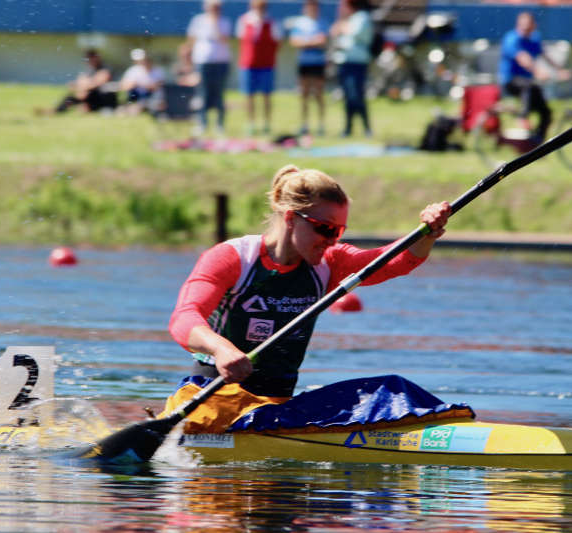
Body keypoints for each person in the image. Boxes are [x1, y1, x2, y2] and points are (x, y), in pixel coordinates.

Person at [160, 164, 451, 432]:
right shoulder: (234, 258)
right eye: (324, 228)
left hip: (277, 409)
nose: (331, 240)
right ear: (290, 218)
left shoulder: (329, 262)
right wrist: (222, 349)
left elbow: (392, 261)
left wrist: (426, 234)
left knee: (391, 390)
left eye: (339, 231)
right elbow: (184, 317)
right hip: (215, 400)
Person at [499, 11, 572, 143]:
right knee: (528, 86)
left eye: (528, 27)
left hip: (528, 83)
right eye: (522, 26)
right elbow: (523, 58)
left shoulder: (534, 38)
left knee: (546, 112)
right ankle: (522, 118)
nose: (525, 30)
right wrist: (537, 71)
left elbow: (545, 56)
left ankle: (537, 141)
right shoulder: (511, 38)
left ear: (534, 26)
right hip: (511, 81)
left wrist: (560, 70)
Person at [236, 0, 283, 136]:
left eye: (262, 6)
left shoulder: (272, 23)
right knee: (249, 95)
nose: (259, 9)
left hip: (267, 65)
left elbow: (277, 43)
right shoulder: (244, 21)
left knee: (266, 95)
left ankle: (266, 123)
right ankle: (250, 123)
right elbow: (242, 41)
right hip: (249, 64)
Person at [186, 0, 232, 135]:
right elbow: (191, 41)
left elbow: (223, 39)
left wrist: (214, 22)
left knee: (219, 93)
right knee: (202, 93)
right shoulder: (198, 20)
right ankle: (202, 123)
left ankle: (220, 124)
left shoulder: (224, 21)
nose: (214, 9)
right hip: (202, 61)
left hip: (221, 62)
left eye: (217, 7)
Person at [330, 0, 373, 138]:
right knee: (348, 96)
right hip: (345, 62)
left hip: (357, 62)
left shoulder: (362, 17)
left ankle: (367, 128)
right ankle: (348, 128)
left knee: (357, 96)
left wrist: (342, 25)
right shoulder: (348, 20)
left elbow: (354, 33)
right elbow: (333, 33)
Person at [288, 0, 329, 136]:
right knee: (304, 94)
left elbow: (323, 41)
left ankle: (321, 124)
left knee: (319, 94)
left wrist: (306, 42)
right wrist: (312, 41)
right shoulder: (300, 23)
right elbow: (294, 41)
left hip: (318, 63)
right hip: (304, 63)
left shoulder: (322, 22)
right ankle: (304, 124)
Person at [40, 49, 115, 115]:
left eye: (91, 58)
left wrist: (81, 87)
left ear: (96, 58)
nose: (89, 61)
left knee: (83, 94)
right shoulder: (89, 70)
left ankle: (85, 107)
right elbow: (82, 81)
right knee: (71, 97)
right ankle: (56, 110)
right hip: (89, 96)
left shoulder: (105, 68)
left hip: (102, 98)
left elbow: (97, 83)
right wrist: (78, 85)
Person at [118, 48, 166, 115]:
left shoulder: (158, 71)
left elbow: (158, 86)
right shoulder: (133, 70)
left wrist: (141, 85)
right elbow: (123, 86)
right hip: (137, 98)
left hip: (151, 98)